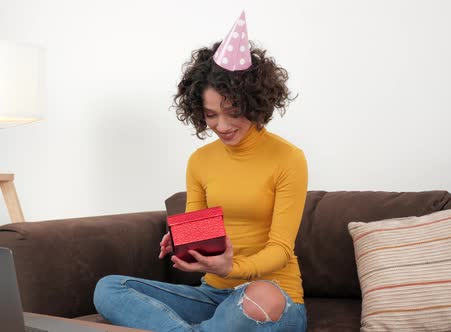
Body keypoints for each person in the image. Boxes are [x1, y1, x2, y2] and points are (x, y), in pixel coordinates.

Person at [94, 11, 308, 331]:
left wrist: (232, 266)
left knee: (260, 293)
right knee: (108, 288)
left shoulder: (289, 158)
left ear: (254, 103)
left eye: (232, 112)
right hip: (212, 296)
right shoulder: (200, 161)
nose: (221, 126)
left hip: (273, 295)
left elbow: (280, 250)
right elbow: (199, 229)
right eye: (210, 115)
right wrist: (184, 241)